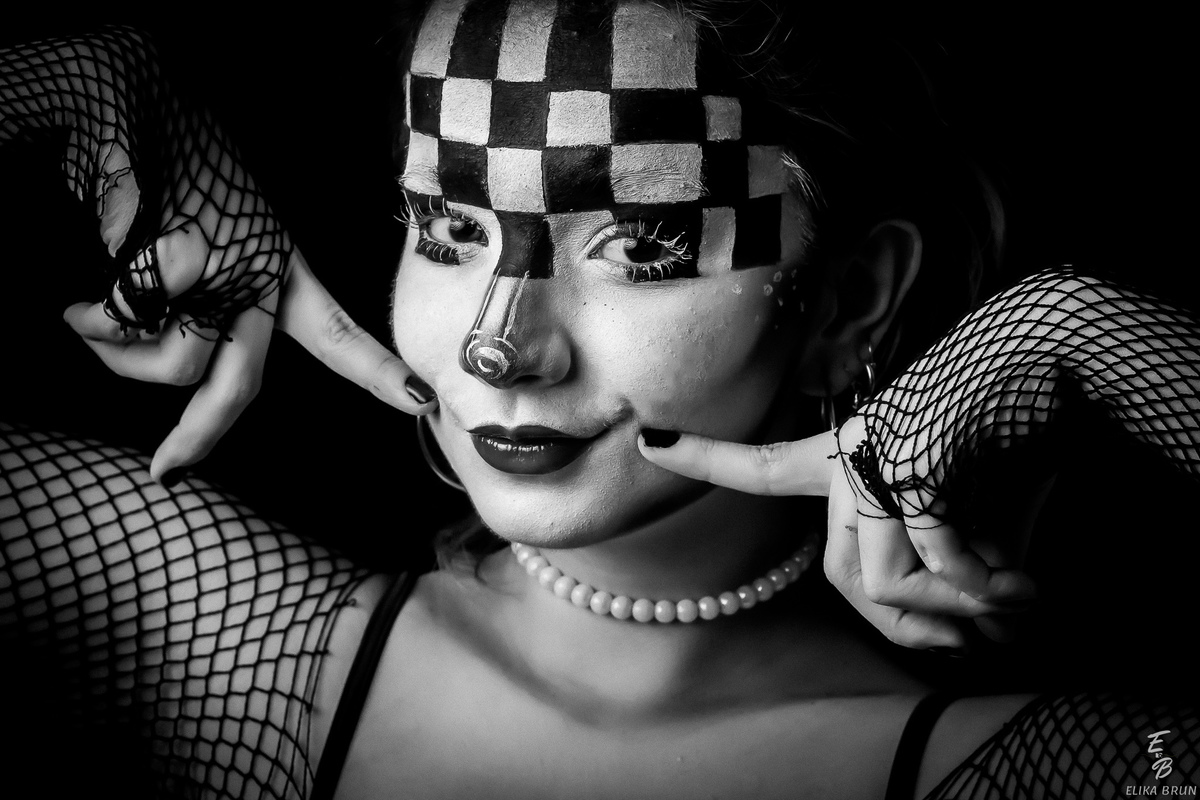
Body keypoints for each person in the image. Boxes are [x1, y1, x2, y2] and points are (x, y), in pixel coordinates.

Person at [2, 2, 1197, 798]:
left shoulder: (1092, 764)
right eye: (448, 225)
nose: (496, 345)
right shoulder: (205, 631)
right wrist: (63, 77)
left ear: (850, 298)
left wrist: (1097, 338)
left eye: (638, 243)